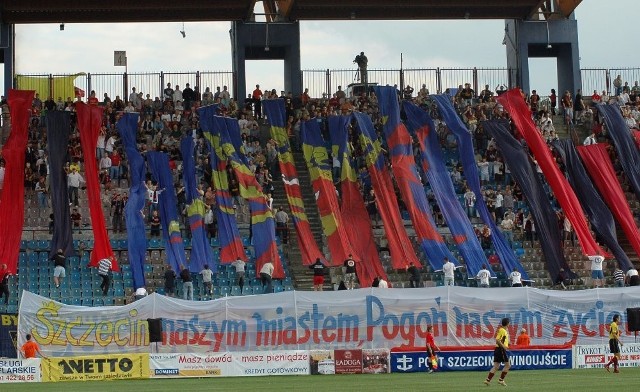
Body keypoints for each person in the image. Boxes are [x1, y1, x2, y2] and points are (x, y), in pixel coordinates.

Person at [484, 317, 512, 386]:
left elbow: (501, 340)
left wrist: (507, 343)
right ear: (507, 324)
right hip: (500, 349)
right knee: (508, 365)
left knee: (496, 366)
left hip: (498, 349)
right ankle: (501, 380)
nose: (509, 324)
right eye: (509, 323)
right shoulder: (502, 330)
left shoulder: (503, 330)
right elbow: (497, 340)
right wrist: (504, 347)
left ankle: (488, 380)